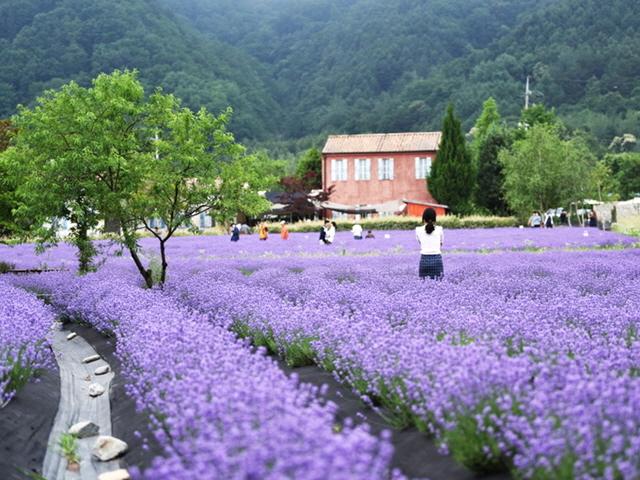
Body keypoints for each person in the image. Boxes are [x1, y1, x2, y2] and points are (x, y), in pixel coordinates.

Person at [416, 207, 444, 280]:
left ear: (423, 218)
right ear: (435, 218)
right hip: (437, 260)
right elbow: (441, 243)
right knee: (439, 286)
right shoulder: (439, 229)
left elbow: (420, 242)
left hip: (424, 260)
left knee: (423, 285)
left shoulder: (418, 230)